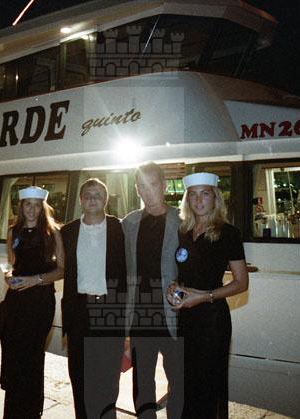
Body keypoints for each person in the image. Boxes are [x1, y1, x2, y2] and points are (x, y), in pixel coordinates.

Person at [167, 172, 249, 419]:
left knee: (208, 388)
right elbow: (185, 273)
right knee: (186, 384)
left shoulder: (228, 233)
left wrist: (204, 296)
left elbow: (241, 283)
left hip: (212, 320)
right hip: (186, 318)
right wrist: (174, 287)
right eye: (193, 195)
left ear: (215, 198)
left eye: (205, 194)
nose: (198, 200)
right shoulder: (184, 231)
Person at [122, 162, 184, 419]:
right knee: (142, 381)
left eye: (153, 184)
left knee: (179, 380)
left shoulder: (182, 220)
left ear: (164, 185)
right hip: (140, 316)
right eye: (142, 186)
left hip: (174, 314)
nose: (148, 191)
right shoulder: (129, 223)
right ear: (137, 189)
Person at [61, 178, 127, 419]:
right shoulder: (67, 232)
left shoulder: (120, 229)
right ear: (80, 200)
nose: (92, 199)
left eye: (98, 194)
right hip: (79, 311)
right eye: (87, 194)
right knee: (79, 378)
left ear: (106, 199)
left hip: (110, 310)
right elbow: (55, 266)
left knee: (108, 380)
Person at [0, 186, 65, 419]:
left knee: (33, 356)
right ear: (21, 207)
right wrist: (8, 277)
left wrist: (34, 280)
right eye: (28, 204)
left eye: (37, 205)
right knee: (14, 355)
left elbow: (62, 270)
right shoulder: (13, 232)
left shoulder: (53, 232)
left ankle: (31, 411)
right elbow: (12, 265)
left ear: (42, 208)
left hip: (40, 303)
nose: (32, 209)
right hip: (16, 302)